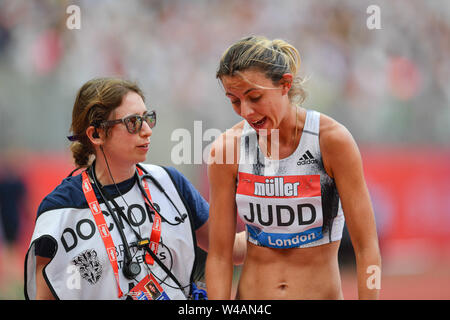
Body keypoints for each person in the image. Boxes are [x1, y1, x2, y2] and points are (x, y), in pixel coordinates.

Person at [24, 77, 245, 300]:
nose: (147, 130)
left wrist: (277, 227)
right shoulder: (59, 211)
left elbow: (232, 248)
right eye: (133, 122)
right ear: (96, 134)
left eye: (147, 118)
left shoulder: (170, 183)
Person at [205, 36, 381, 300]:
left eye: (255, 97)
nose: (246, 111)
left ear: (285, 84)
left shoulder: (331, 141)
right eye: (234, 100)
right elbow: (220, 256)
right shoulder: (226, 150)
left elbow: (366, 249)